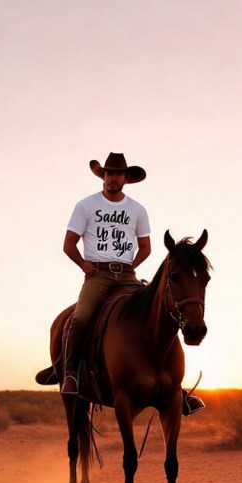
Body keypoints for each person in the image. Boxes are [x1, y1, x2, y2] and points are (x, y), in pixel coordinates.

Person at [60, 152, 151, 395]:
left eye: (118, 173)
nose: (113, 177)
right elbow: (69, 244)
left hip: (127, 275)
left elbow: (145, 247)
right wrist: (82, 264)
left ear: (125, 178)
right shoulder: (86, 205)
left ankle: (174, 386)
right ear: (104, 176)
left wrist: (132, 265)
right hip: (98, 274)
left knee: (156, 311)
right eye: (109, 173)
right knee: (80, 318)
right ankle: (71, 374)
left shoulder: (137, 210)